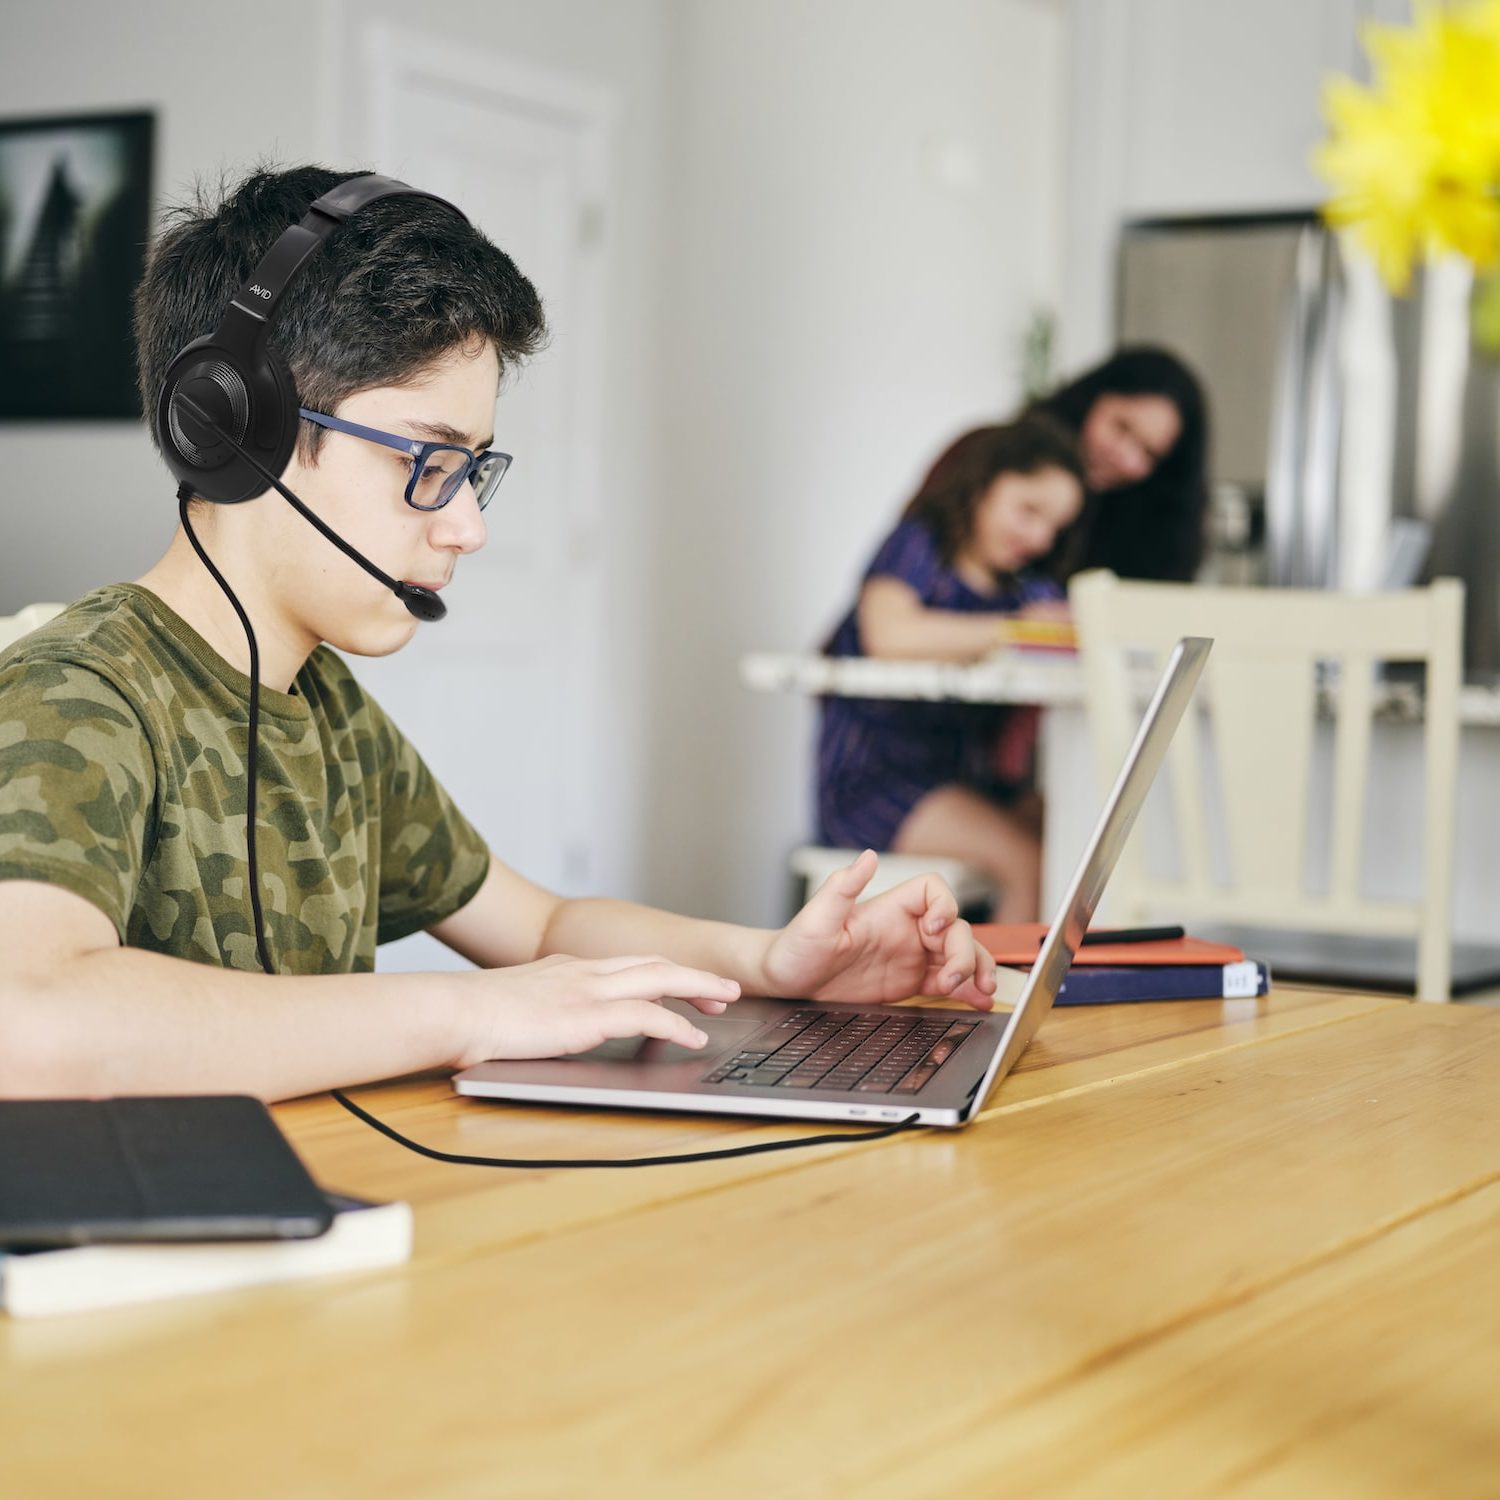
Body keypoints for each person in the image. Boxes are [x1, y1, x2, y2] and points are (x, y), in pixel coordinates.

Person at [0, 164, 998, 1104]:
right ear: (234, 427)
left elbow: (542, 927)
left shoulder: (328, 712)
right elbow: (26, 1019)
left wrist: (767, 960)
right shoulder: (78, 696)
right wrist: (464, 1012)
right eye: (426, 462)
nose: (467, 526)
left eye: (474, 471)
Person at [816, 414, 1087, 924]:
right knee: (1027, 860)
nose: (1039, 537)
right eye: (1028, 510)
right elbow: (890, 636)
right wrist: (1017, 628)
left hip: (965, 782)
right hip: (876, 783)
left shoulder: (1024, 589)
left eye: (1055, 528)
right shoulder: (920, 548)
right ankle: (1007, 1000)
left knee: (1080, 835)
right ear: (984, 483)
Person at [1030, 344, 1210, 583]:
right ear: (1091, 398)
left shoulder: (1152, 537)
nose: (1124, 457)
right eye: (1121, 427)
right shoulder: (1009, 458)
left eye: (1149, 453)